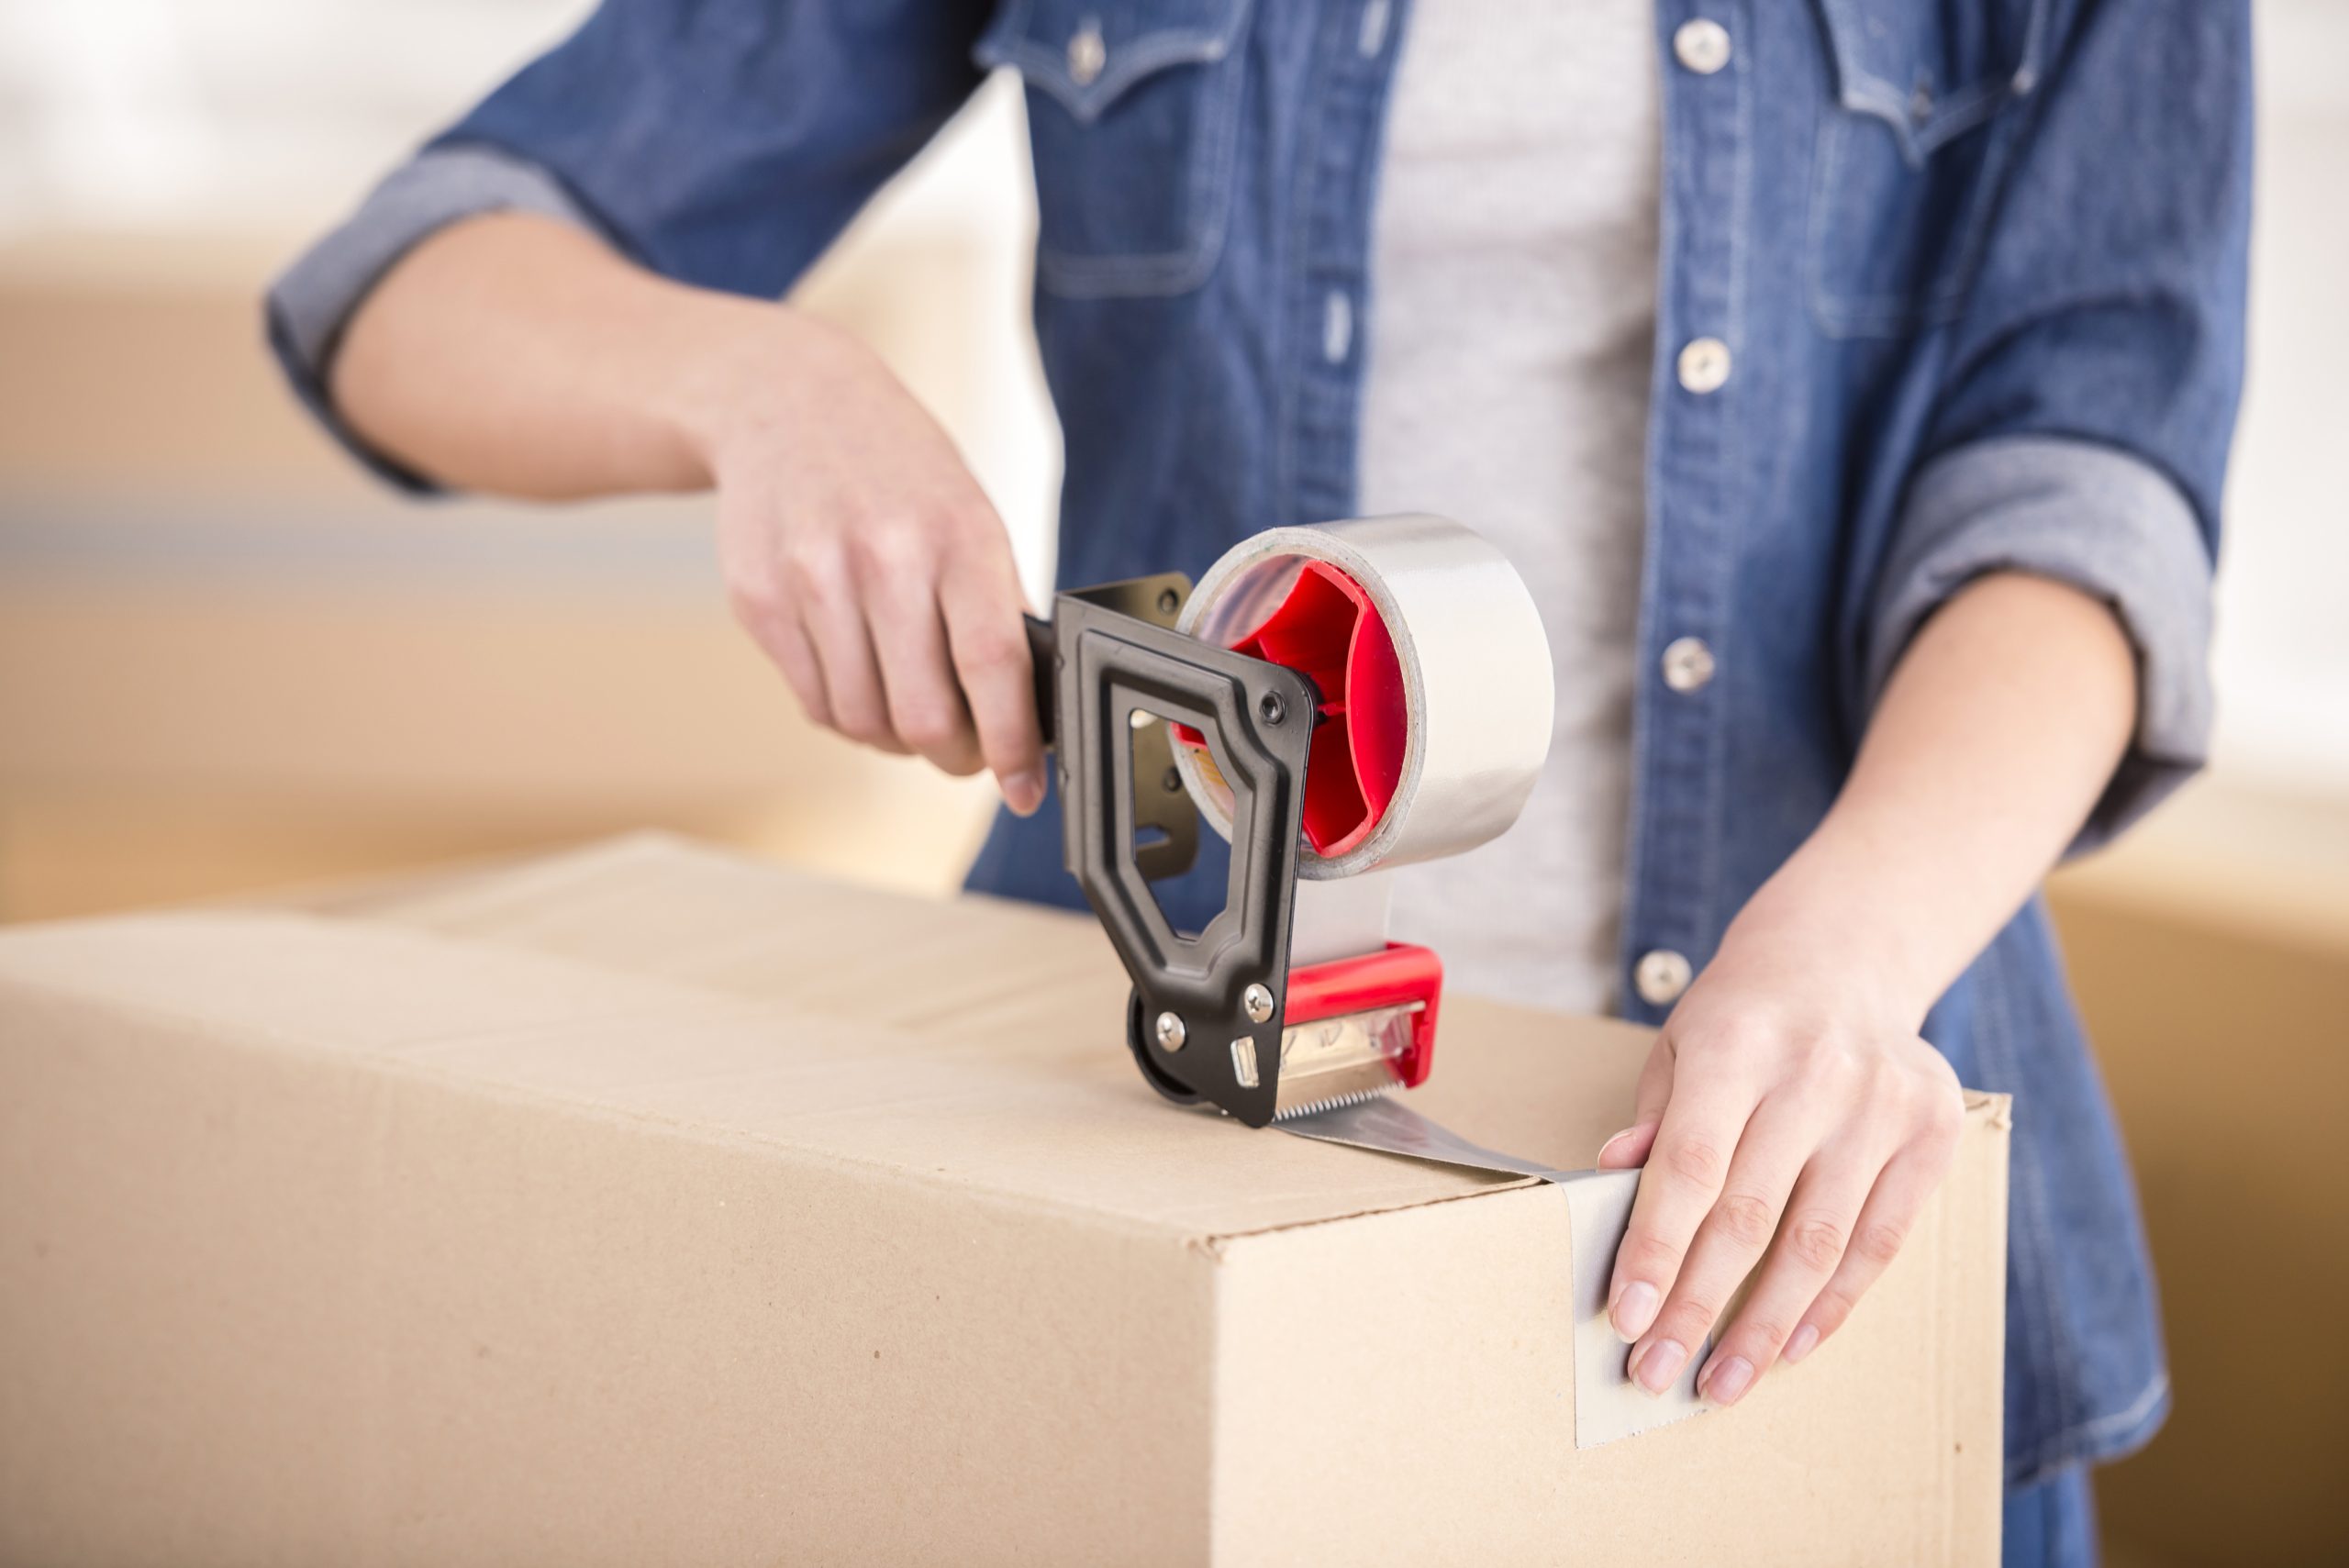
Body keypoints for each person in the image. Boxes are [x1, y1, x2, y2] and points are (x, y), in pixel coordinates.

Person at [267, 3, 2249, 1562]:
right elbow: (399, 290)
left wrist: (1836, 960)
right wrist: (763, 386)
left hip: (1784, 1160)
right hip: (1141, 1170)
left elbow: (2079, 479)